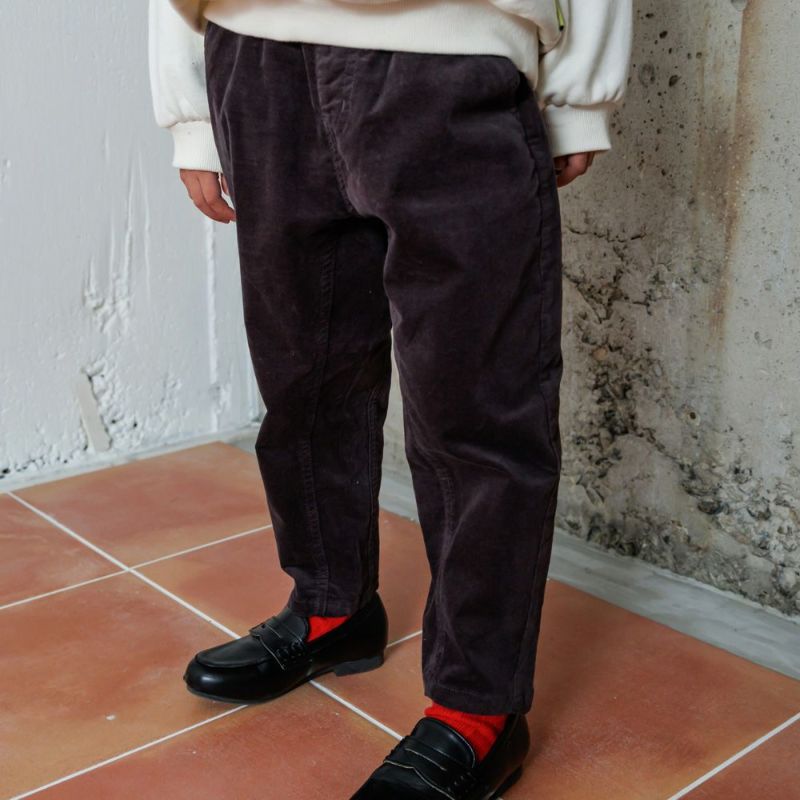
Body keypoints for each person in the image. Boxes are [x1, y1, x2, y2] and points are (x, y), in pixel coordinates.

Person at [148, 0, 632, 795]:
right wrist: (193, 111)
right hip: (257, 52)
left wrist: (579, 93)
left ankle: (479, 705)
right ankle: (331, 609)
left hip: (452, 56)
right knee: (304, 380)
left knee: (475, 406)